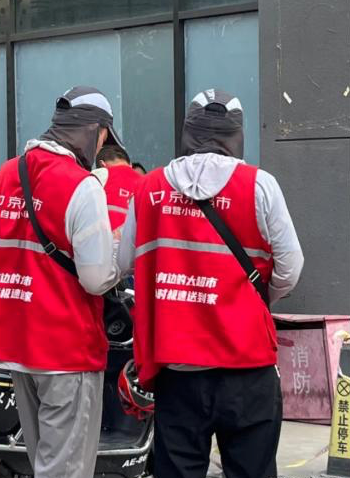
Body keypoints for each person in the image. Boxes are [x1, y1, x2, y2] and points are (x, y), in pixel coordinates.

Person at [118, 89, 304, 478]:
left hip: (177, 370)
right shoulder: (260, 185)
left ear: (188, 131)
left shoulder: (148, 188)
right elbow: (291, 267)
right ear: (237, 134)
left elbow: (121, 264)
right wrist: (256, 297)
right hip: (247, 366)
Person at [0, 86, 122, 478]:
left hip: (16, 341)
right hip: (65, 347)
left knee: (43, 462)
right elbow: (96, 278)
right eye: (104, 138)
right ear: (95, 132)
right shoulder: (82, 185)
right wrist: (117, 253)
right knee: (65, 469)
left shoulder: (4, 174)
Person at [93, 146, 142, 232]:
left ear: (102, 164)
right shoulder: (145, 182)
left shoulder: (101, 174)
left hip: (107, 237)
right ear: (130, 165)